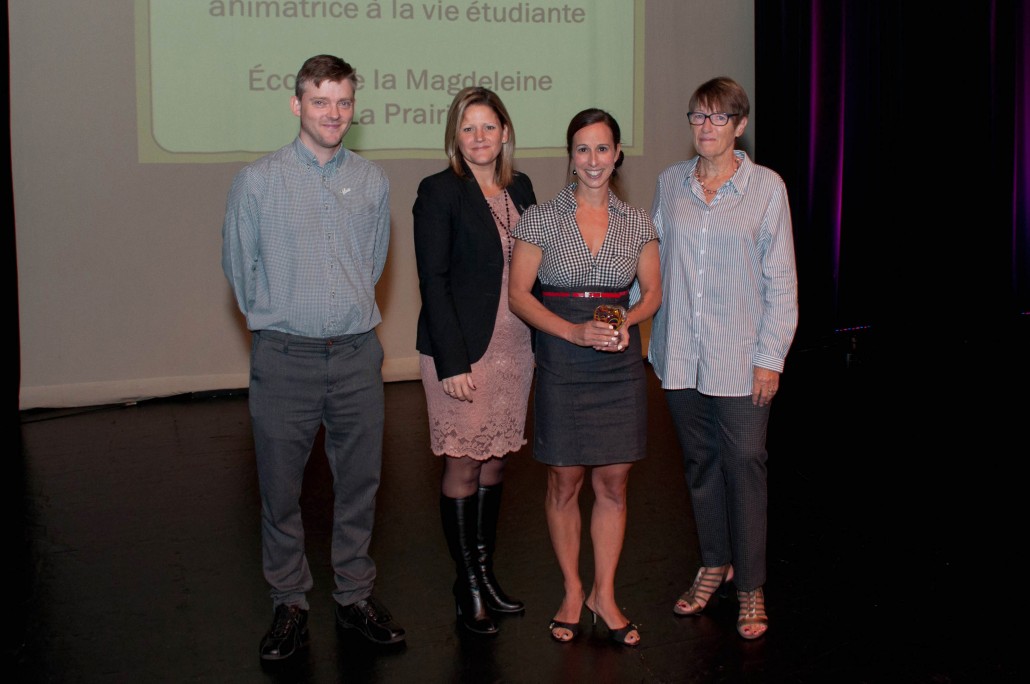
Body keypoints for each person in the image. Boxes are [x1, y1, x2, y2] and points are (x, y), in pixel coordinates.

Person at [221, 54, 405, 661]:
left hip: (356, 358)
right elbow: (240, 272)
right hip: (284, 360)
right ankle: (290, 606)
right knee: (280, 492)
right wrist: (283, 324)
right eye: (321, 101)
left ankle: (354, 597)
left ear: (354, 108)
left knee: (359, 486)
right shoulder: (258, 181)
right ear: (297, 105)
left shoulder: (372, 181)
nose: (334, 113)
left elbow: (372, 266)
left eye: (344, 102)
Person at [648, 76, 798, 640]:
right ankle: (714, 563)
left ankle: (752, 585)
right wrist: (623, 319)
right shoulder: (670, 183)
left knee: (745, 468)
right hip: (680, 356)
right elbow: (652, 265)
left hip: (742, 359)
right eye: (697, 117)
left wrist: (771, 357)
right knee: (700, 466)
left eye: (717, 118)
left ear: (739, 125)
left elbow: (781, 280)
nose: (705, 128)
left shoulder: (766, 188)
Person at [508, 109, 661, 647]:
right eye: (582, 149)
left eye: (602, 149)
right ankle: (573, 590)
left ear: (617, 154)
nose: (593, 160)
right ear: (570, 156)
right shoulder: (540, 219)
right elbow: (519, 295)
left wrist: (623, 322)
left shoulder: (638, 222)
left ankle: (605, 593)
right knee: (564, 482)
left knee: (614, 484)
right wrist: (573, 333)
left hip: (618, 363)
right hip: (563, 361)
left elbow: (651, 295)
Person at [412, 87, 537, 636]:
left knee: (497, 461)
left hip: (516, 349)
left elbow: (540, 265)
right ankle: (466, 586)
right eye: (468, 128)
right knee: (463, 463)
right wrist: (451, 361)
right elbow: (432, 283)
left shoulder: (524, 188)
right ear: (454, 137)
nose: (479, 138)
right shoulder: (438, 192)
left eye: (489, 127)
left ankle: (485, 576)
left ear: (506, 132)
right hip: (461, 352)